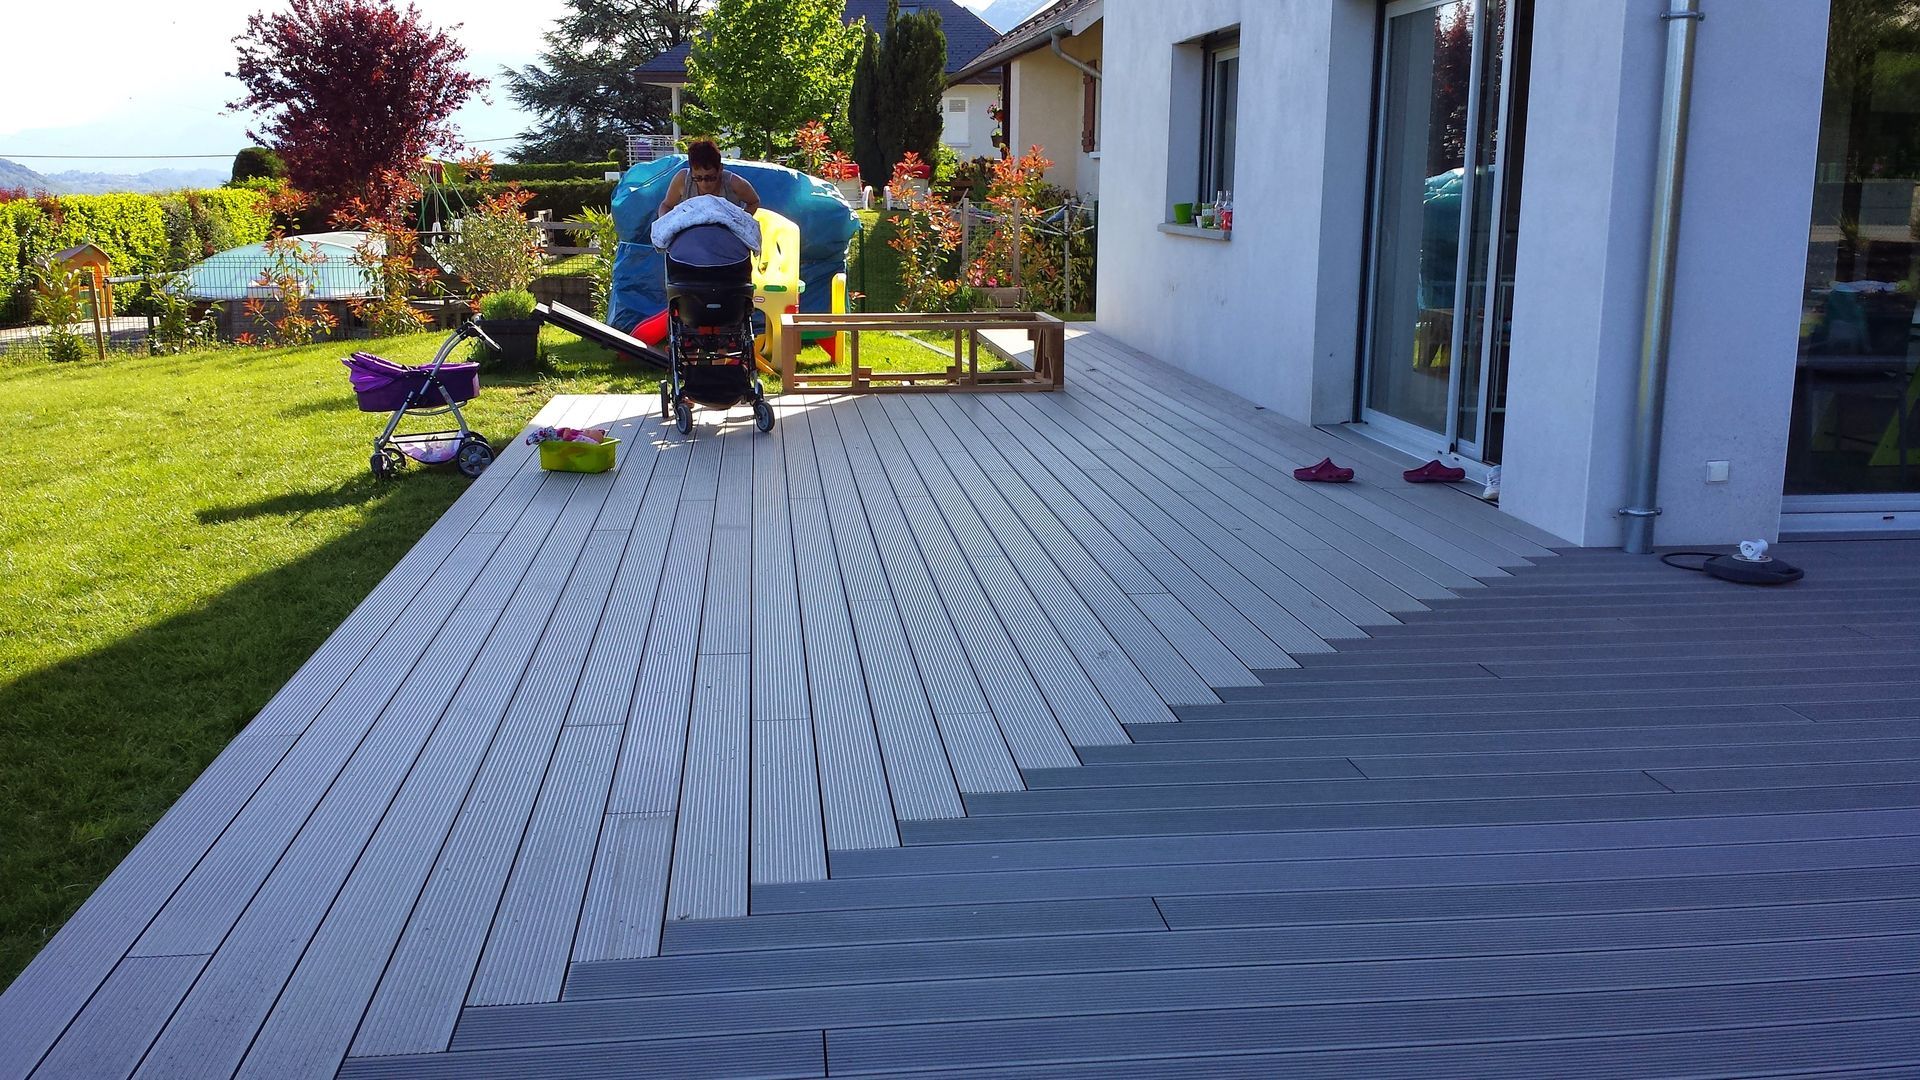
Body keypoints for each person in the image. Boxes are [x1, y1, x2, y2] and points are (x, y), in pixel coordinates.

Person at [659, 140, 760, 216]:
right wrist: (665, 223)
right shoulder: (683, 180)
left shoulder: (734, 183)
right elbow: (666, 206)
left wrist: (741, 221)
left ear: (720, 169)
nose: (704, 184)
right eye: (698, 178)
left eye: (710, 178)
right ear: (691, 171)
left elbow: (754, 202)